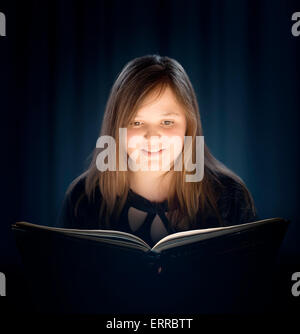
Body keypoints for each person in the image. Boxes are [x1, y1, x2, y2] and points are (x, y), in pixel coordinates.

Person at [57, 54, 258, 248]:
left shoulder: (230, 197)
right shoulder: (83, 198)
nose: (152, 137)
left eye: (167, 122)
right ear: (116, 128)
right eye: (136, 122)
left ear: (189, 126)